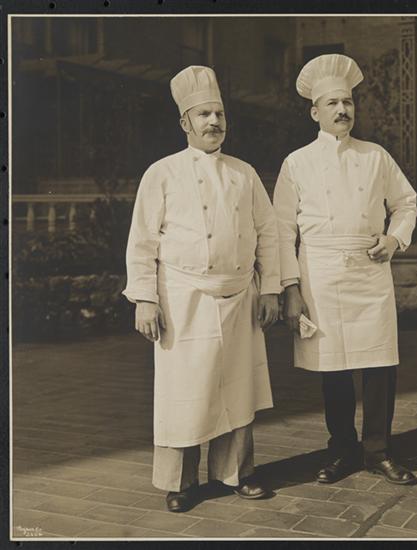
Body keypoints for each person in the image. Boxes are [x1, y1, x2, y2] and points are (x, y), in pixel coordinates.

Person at [123, 66, 280, 512]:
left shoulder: (244, 173)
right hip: (183, 297)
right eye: (204, 114)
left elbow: (268, 233)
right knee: (186, 391)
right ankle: (182, 482)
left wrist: (270, 289)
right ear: (184, 123)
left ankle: (237, 473)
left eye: (219, 114)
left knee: (237, 389)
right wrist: (146, 299)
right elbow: (142, 241)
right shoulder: (162, 173)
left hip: (239, 295)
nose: (214, 122)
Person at [273, 54, 417, 485]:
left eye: (348, 102)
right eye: (333, 103)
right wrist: (290, 287)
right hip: (320, 274)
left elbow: (406, 204)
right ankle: (341, 449)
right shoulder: (296, 162)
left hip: (369, 272)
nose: (342, 110)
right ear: (315, 112)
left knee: (379, 365)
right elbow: (281, 230)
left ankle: (378, 451)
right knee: (333, 368)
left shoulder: (376, 156)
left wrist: (394, 239)